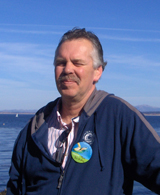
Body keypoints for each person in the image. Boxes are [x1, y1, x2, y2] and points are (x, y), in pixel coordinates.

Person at [7, 28, 160, 195]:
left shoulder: (118, 116)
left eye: (77, 63)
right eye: (60, 62)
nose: (67, 70)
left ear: (97, 71)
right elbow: (15, 187)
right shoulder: (35, 129)